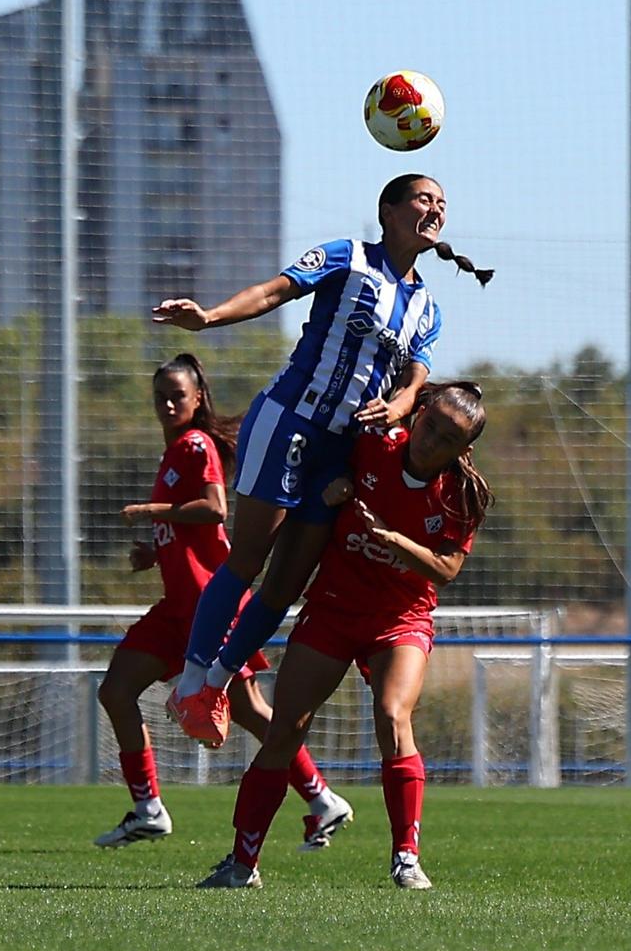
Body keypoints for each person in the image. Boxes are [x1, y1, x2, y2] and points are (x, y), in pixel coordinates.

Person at [154, 174, 488, 749]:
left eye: (442, 202)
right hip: (288, 421)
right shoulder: (347, 257)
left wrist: (402, 403)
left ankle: (215, 685)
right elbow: (273, 292)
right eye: (423, 199)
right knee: (249, 559)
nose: (435, 209)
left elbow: (416, 378)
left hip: (342, 451)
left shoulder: (427, 308)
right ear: (387, 211)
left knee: (286, 583)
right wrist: (208, 318)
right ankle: (190, 683)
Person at [198, 381, 491, 891]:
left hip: (400, 618)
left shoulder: (460, 496)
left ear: (463, 450)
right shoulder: (374, 445)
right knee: (285, 730)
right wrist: (330, 487)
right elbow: (317, 467)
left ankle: (406, 858)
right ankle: (242, 863)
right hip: (334, 608)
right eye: (430, 427)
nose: (431, 442)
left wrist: (392, 538)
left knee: (392, 716)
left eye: (448, 439)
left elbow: (446, 569)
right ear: (418, 415)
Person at [94, 354, 353, 849]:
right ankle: (148, 810)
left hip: (207, 607)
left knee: (249, 709)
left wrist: (152, 510)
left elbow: (214, 508)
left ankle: (322, 800)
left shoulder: (196, 445)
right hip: (177, 606)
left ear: (198, 399)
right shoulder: (175, 451)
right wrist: (157, 550)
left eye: (177, 396)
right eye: (160, 397)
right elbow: (190, 528)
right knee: (116, 691)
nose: (168, 404)